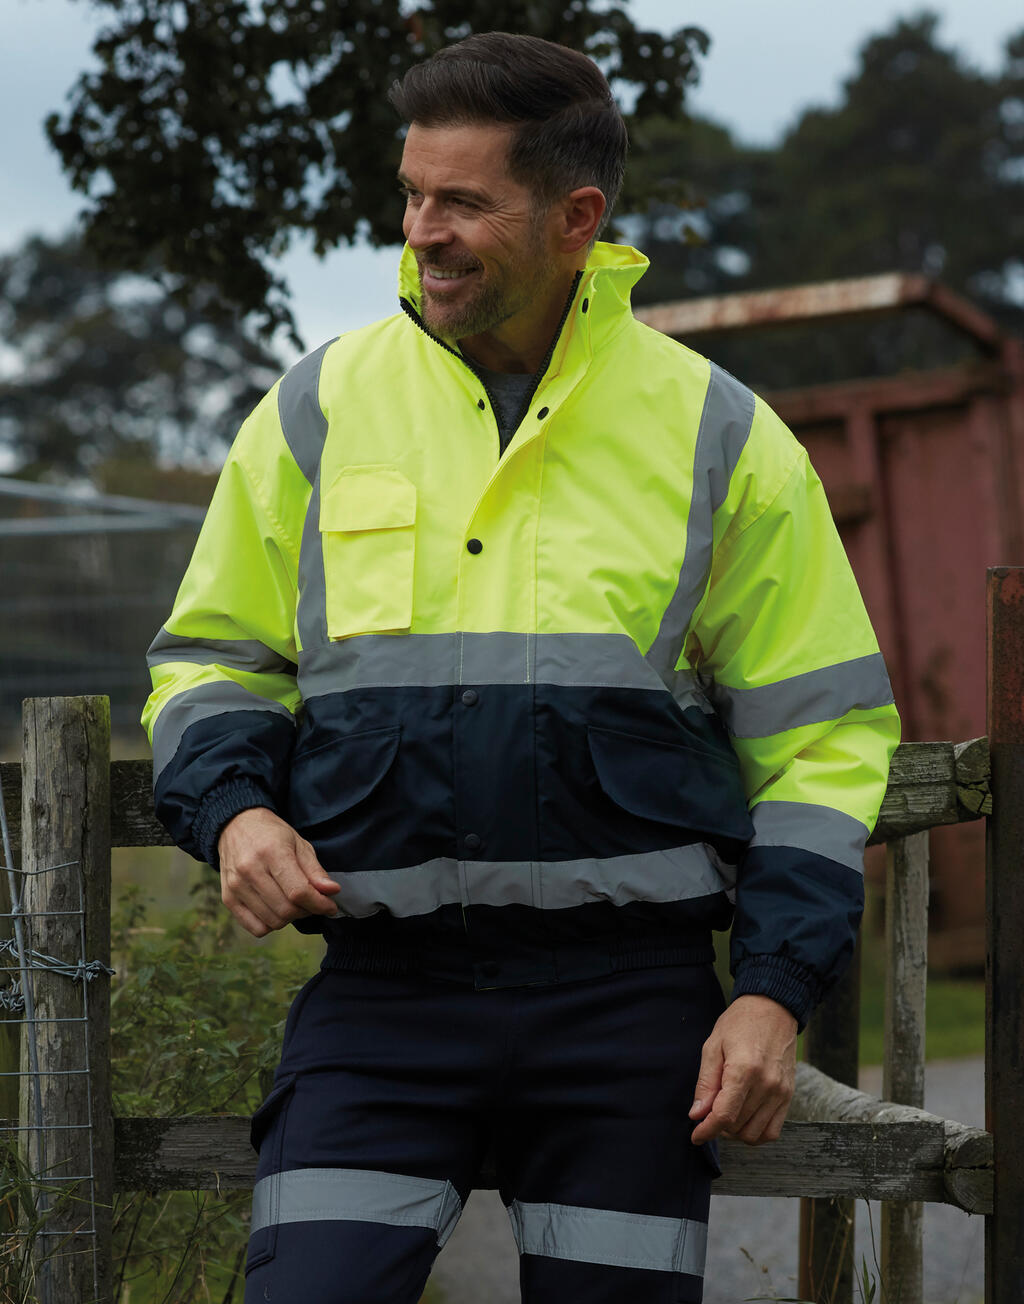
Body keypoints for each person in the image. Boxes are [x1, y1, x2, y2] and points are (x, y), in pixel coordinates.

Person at [143, 31, 899, 1304]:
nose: (419, 231)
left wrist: (770, 993)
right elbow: (212, 656)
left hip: (628, 1011)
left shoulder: (720, 435)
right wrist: (235, 809)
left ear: (574, 218)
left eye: (461, 202)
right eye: (410, 193)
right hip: (381, 1000)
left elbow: (822, 740)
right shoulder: (317, 410)